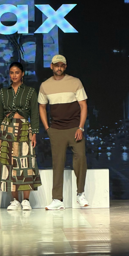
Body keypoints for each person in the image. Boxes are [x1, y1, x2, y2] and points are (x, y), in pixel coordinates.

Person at [38, 54, 89, 210]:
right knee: (57, 163)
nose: (59, 68)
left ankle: (80, 194)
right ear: (51, 66)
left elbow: (83, 105)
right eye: (56, 65)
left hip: (74, 128)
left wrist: (81, 127)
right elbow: (41, 107)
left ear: (65, 67)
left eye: (61, 65)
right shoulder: (45, 85)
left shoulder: (75, 82)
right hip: (56, 130)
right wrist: (47, 128)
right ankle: (57, 199)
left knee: (80, 158)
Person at [0, 62, 41, 210]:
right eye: (12, 73)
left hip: (24, 128)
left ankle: (26, 200)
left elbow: (35, 113)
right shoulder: (3, 92)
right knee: (10, 163)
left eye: (17, 72)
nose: (14, 75)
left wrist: (34, 133)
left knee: (26, 163)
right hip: (7, 129)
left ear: (22, 74)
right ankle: (14, 200)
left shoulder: (30, 92)